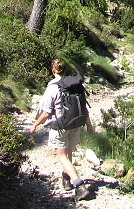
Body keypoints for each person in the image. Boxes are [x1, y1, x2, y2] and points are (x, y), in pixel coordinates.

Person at [29, 58, 93, 200]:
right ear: (65, 69)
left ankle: (79, 185)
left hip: (60, 126)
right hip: (76, 123)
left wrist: (35, 124)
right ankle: (67, 179)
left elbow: (46, 112)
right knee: (68, 150)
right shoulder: (74, 84)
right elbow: (83, 104)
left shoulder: (52, 87)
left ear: (53, 70)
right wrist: (89, 124)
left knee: (62, 156)